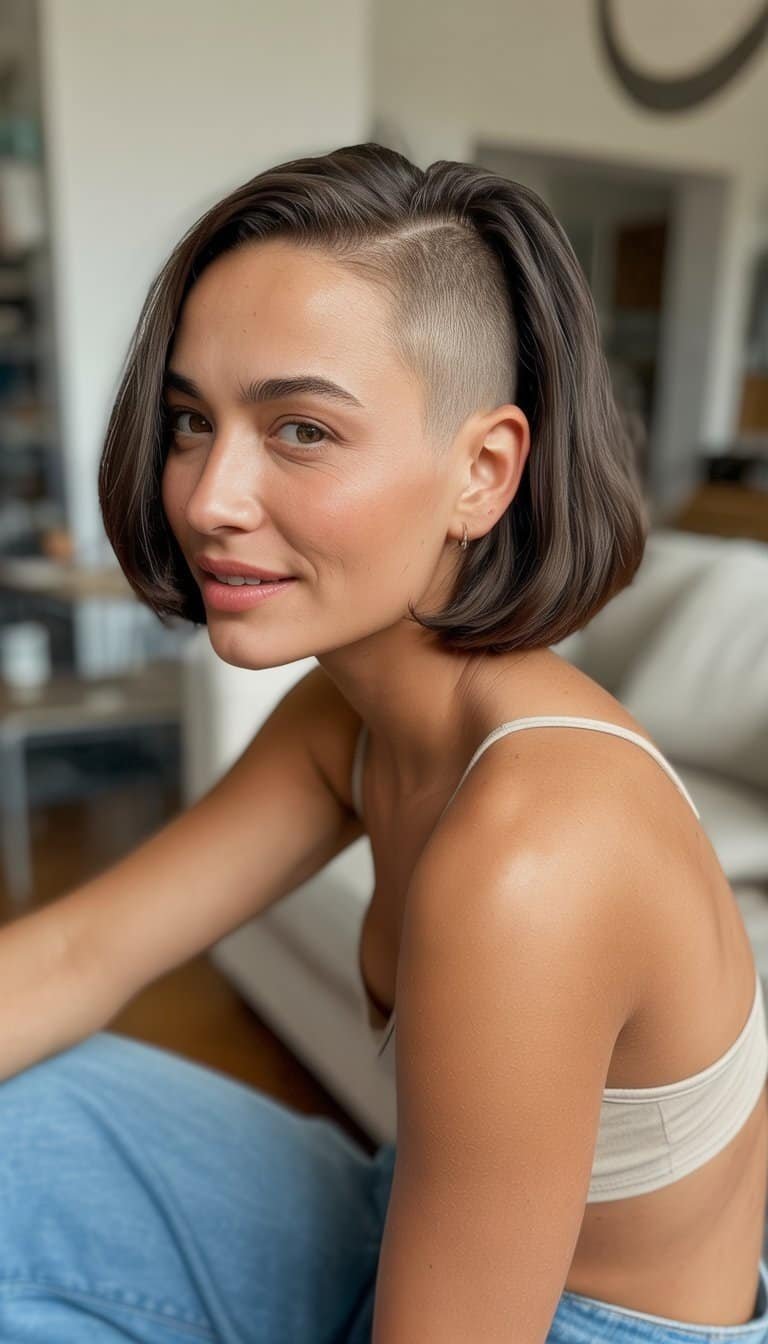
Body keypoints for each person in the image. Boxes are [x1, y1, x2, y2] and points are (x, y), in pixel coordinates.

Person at [1, 141, 766, 1343]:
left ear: (483, 471)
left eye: (300, 429)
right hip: (402, 1227)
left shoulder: (539, 851)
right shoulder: (351, 717)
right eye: (194, 420)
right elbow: (79, 956)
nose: (207, 496)